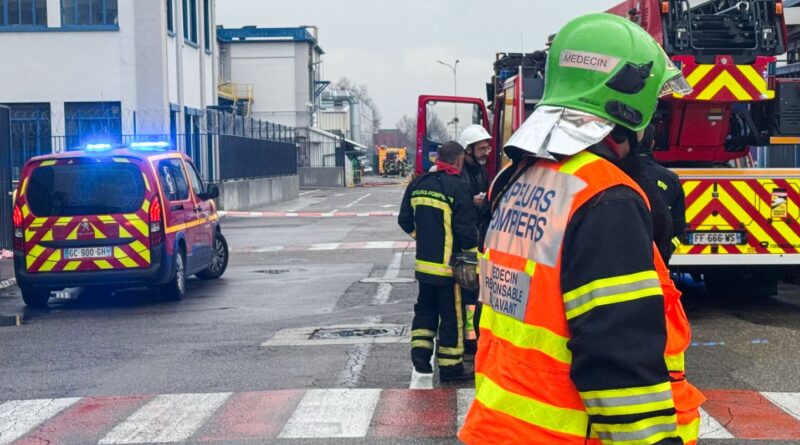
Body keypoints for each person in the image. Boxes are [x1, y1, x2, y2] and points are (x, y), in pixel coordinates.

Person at [459, 13, 705, 445]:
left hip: (504, 428)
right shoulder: (606, 197)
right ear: (626, 109)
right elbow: (618, 359)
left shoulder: (514, 179)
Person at [398, 141, 478, 382]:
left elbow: (404, 220)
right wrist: (472, 261)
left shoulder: (418, 184)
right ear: (459, 160)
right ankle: (451, 367)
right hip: (448, 270)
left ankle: (421, 358)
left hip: (424, 268)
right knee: (451, 318)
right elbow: (466, 231)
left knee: (425, 312)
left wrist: (424, 238)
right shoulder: (458, 188)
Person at [458, 124, 492, 353]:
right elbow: (458, 203)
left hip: (479, 235)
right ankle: (470, 339)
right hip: (466, 238)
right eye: (481, 148)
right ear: (468, 149)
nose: (486, 152)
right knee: (468, 290)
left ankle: (473, 335)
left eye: (487, 148)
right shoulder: (461, 173)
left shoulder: (481, 171)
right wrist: (472, 201)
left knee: (477, 289)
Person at [638, 124, 687, 263]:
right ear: (652, 144)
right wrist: (664, 252)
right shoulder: (671, 179)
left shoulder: (615, 173)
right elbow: (679, 229)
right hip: (658, 265)